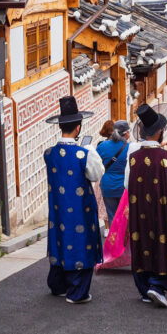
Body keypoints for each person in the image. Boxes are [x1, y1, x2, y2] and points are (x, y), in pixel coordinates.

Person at [124, 104, 167, 307]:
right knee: (166, 245)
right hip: (162, 210)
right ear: (160, 132)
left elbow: (127, 184)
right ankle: (158, 286)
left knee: (142, 244)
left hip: (139, 210)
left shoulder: (132, 159)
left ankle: (145, 289)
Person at [44, 96, 105, 304]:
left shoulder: (49, 153)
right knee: (81, 241)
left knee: (60, 237)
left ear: (60, 126)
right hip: (80, 208)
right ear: (78, 128)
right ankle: (77, 291)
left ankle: (58, 284)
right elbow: (96, 175)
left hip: (58, 207)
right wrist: (90, 151)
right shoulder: (83, 153)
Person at [96, 120, 132, 227]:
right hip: (124, 186)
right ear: (126, 133)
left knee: (112, 216)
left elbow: (96, 163)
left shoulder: (102, 146)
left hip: (107, 185)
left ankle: (113, 236)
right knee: (126, 217)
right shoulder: (130, 147)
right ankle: (124, 238)